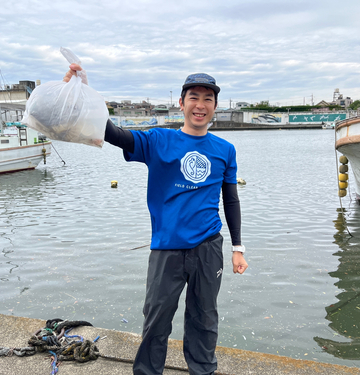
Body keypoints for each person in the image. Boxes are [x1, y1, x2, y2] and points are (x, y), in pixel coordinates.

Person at [64, 67, 248, 375]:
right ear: (181, 102)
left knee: (205, 318)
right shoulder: (158, 140)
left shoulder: (225, 150)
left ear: (215, 106)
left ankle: (203, 370)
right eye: (193, 97)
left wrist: (237, 247)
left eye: (207, 99)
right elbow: (113, 134)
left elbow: (231, 199)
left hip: (208, 247)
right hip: (167, 247)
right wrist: (83, 95)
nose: (200, 105)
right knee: (156, 318)